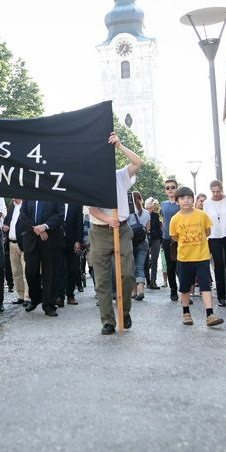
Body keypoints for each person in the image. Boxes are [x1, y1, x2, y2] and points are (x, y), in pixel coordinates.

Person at [88, 132, 143, 335]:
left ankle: (124, 312)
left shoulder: (120, 175)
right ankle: (108, 321)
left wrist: (120, 146)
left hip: (122, 230)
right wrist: (107, 219)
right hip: (100, 231)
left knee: (127, 275)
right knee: (102, 279)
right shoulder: (91, 180)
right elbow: (92, 210)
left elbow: (138, 162)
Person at [169, 186, 223, 327]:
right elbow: (174, 237)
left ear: (193, 199)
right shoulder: (175, 219)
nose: (186, 200)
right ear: (177, 201)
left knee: (205, 286)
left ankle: (210, 315)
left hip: (202, 257)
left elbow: (207, 231)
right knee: (185, 287)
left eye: (189, 198)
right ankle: (186, 313)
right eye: (182, 198)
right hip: (185, 258)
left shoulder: (201, 215)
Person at [18, 198, 65, 317]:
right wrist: (36, 229)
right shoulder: (28, 195)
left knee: (50, 274)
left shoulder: (54, 194)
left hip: (51, 240)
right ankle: (35, 298)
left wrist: (45, 226)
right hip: (31, 239)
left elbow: (60, 214)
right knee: (30, 272)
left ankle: (49, 305)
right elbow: (23, 215)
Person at [204, 180, 226, 307]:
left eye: (218, 191)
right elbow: (205, 219)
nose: (216, 194)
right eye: (213, 192)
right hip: (214, 236)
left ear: (221, 189)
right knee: (218, 265)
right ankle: (221, 297)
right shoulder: (207, 203)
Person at [3, 198, 27, 305]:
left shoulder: (26, 204)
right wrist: (4, 226)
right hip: (12, 243)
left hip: (24, 243)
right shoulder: (11, 206)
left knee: (26, 271)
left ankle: (28, 297)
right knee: (16, 272)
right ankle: (20, 295)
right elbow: (7, 220)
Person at [160, 178, 181, 301]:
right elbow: (163, 220)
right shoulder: (163, 204)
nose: (170, 189)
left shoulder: (181, 203)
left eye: (173, 187)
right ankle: (173, 290)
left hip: (181, 238)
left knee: (182, 265)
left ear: (176, 188)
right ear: (165, 190)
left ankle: (185, 291)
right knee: (170, 266)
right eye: (167, 188)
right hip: (167, 239)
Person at [127, 192, 150, 301]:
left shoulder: (128, 212)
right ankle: (141, 290)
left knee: (131, 267)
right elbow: (147, 229)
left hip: (130, 242)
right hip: (143, 242)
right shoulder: (146, 212)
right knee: (140, 267)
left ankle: (134, 292)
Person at [60, 203, 84, 306]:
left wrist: (78, 241)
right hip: (58, 241)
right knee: (59, 269)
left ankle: (70, 295)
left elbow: (79, 223)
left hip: (72, 241)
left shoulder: (76, 203)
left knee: (72, 269)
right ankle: (59, 297)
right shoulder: (57, 200)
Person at [145, 197, 162, 290]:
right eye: (150, 205)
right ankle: (147, 281)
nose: (152, 207)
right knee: (146, 261)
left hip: (156, 239)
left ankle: (153, 281)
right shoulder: (143, 214)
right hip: (146, 239)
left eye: (153, 205)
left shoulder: (156, 215)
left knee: (154, 260)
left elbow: (159, 228)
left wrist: (160, 239)